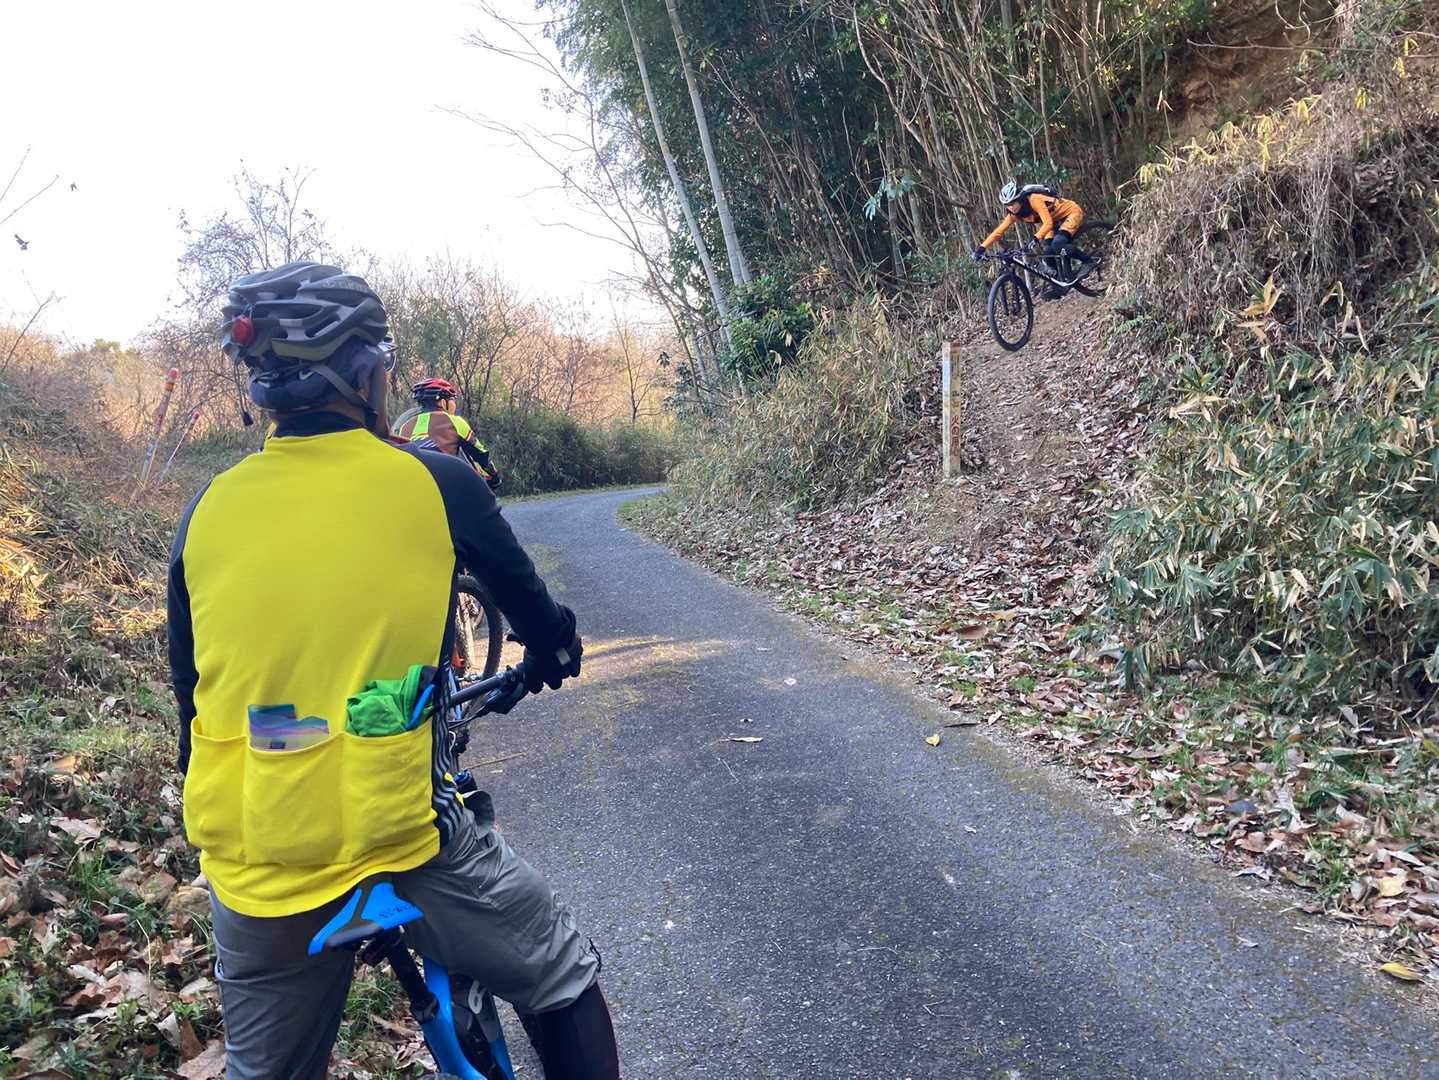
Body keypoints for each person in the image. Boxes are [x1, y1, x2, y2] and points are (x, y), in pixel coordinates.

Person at [167, 260, 620, 1079]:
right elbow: (533, 614)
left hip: (254, 852)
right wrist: (555, 650)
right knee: (560, 978)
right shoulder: (435, 480)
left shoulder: (206, 509)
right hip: (398, 832)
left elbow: (188, 698)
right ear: (367, 374)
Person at [973, 180, 1095, 299]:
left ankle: (1088, 261)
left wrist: (1034, 240)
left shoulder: (1034, 200)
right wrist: (981, 248)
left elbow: (1047, 223)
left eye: (1013, 203)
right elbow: (998, 232)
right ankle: (1059, 286)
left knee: (1058, 243)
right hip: (1055, 222)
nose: (1011, 207)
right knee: (1047, 252)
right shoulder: (1014, 214)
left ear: (1019, 198)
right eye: (1007, 205)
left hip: (1070, 213)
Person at [392, 376, 502, 490]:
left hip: (412, 485)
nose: (454, 404)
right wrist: (494, 478)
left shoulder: (405, 426)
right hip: (444, 483)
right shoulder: (454, 421)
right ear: (443, 402)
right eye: (452, 399)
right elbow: (481, 455)